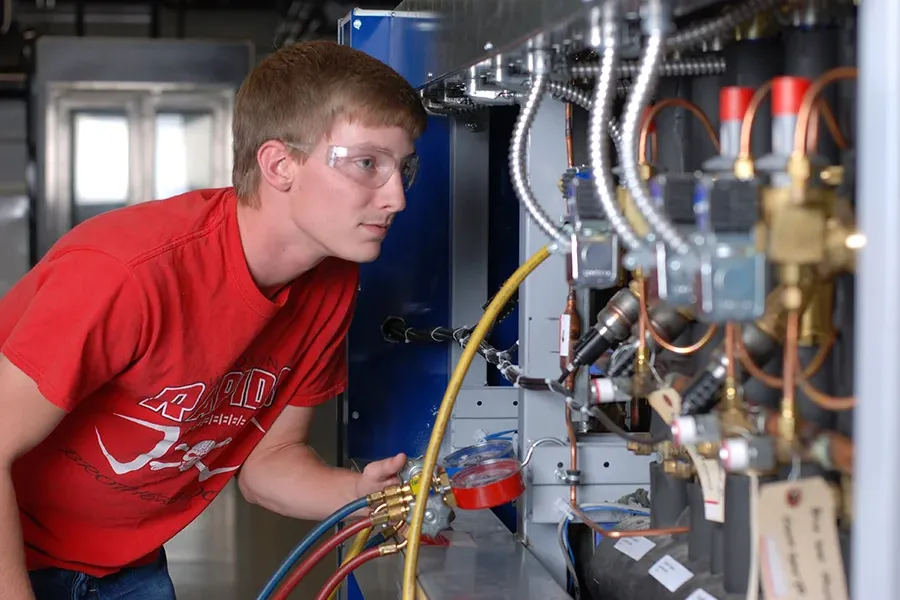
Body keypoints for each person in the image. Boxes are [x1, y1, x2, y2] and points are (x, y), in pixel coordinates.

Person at [0, 40, 427, 600]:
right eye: (368, 163)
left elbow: (269, 465)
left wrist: (362, 492)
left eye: (403, 168)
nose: (395, 196)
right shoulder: (127, 275)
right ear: (279, 165)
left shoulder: (329, 283)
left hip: (127, 567)